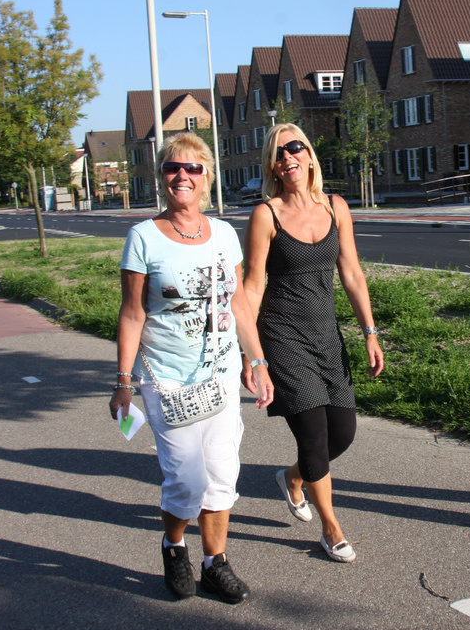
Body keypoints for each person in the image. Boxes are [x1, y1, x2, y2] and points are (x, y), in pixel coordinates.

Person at [108, 132, 274, 604]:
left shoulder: (223, 234)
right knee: (186, 480)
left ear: (206, 178)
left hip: (219, 377)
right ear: (161, 177)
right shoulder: (143, 237)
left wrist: (256, 360)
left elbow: (238, 304)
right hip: (167, 379)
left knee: (221, 477)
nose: (182, 176)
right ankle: (175, 545)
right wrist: (123, 382)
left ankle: (214, 562)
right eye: (172, 168)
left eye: (192, 168)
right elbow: (132, 313)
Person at [242, 123, 385, 563]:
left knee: (342, 434)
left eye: (295, 147)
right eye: (278, 153)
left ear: (308, 155)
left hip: (327, 336)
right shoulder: (265, 215)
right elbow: (252, 286)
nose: (288, 157)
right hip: (282, 336)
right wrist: (251, 354)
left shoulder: (336, 207)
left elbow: (353, 273)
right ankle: (331, 528)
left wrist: (370, 332)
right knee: (314, 437)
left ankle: (292, 477)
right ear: (272, 166)